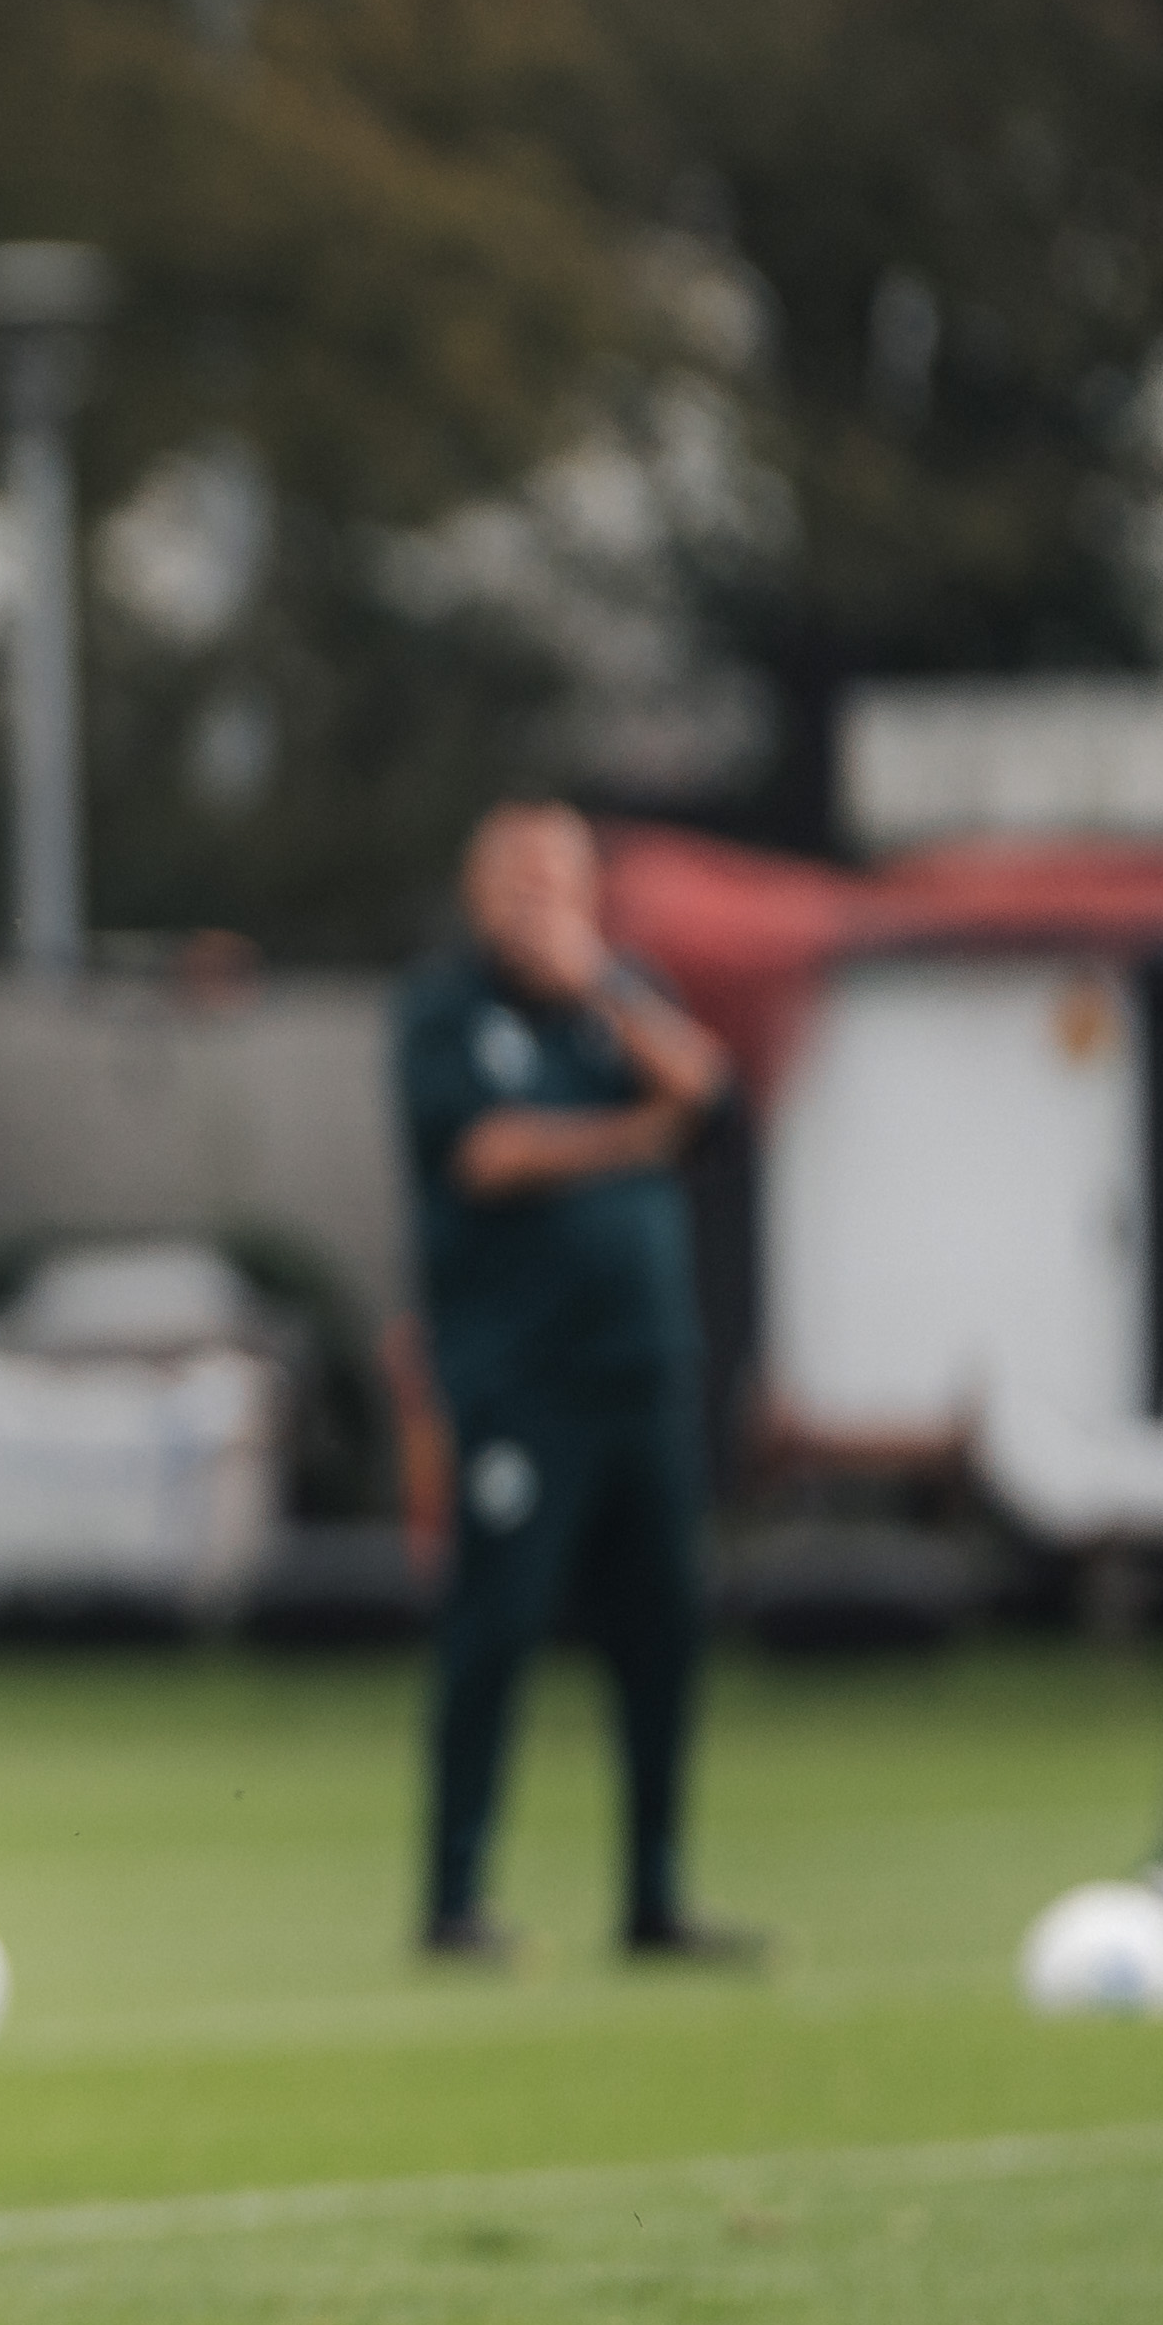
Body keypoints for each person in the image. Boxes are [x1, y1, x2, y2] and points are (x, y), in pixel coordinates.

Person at [393, 802, 752, 1968]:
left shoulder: (625, 1000)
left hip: (644, 1377)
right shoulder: (445, 1011)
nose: (533, 901)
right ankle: (453, 1901)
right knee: (496, 1632)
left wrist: (601, 986)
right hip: (518, 1384)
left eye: (556, 879)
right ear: (476, 891)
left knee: (662, 1640)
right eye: (512, 880)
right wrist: (630, 1138)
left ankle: (654, 1900)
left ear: (592, 893)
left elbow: (708, 1095)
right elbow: (489, 1153)